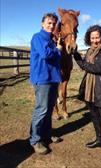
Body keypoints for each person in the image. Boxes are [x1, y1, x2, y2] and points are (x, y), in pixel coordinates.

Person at [74, 25, 101, 161]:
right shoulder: (89, 50)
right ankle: (100, 139)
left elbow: (98, 68)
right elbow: (86, 66)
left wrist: (80, 61)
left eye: (97, 37)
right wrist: (76, 54)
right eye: (92, 38)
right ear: (89, 38)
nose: (94, 40)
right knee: (94, 115)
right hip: (89, 88)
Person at [29, 12, 62, 154]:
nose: (52, 25)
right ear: (42, 24)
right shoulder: (38, 37)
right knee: (41, 109)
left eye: (54, 23)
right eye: (49, 23)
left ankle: (46, 135)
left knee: (48, 109)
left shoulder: (51, 40)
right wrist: (58, 50)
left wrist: (56, 49)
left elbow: (54, 58)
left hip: (52, 78)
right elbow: (45, 54)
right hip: (42, 79)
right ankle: (35, 139)